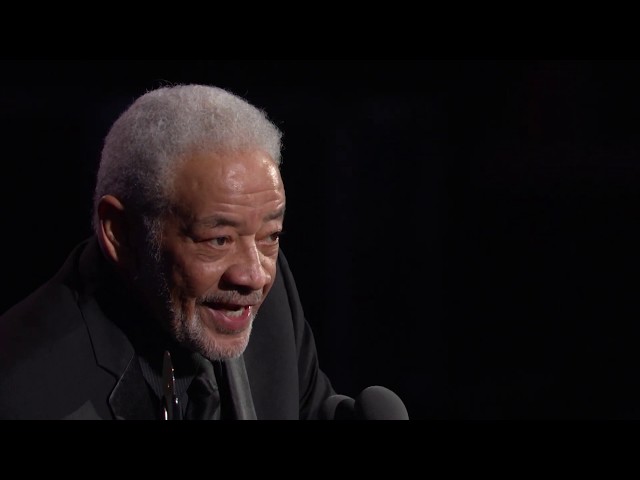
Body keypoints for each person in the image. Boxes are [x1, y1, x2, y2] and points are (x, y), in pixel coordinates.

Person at [0, 83, 341, 420]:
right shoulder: (25, 392)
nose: (255, 276)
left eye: (271, 235)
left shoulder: (270, 306)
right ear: (120, 232)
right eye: (218, 240)